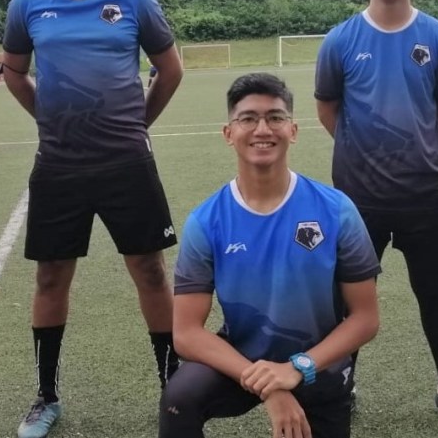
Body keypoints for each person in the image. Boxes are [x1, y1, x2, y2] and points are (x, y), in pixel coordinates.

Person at [0, 0, 184, 438]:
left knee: (150, 270)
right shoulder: (28, 1)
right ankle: (46, 396)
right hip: (59, 165)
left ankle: (174, 391)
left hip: (126, 162)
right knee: (50, 275)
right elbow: (13, 71)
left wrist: (138, 123)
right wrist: (49, 117)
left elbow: (170, 69)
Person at [315, 0, 438, 433]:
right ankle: (340, 388)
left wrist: (414, 146)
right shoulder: (340, 40)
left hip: (424, 194)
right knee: (347, 300)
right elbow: (329, 109)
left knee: (433, 292)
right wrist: (363, 154)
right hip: (357, 199)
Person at [160, 73, 381, 438]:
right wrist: (270, 386)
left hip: (319, 365)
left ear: (292, 130)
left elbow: (365, 318)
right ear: (229, 133)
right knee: (179, 399)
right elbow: (186, 333)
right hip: (243, 359)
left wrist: (297, 368)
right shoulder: (207, 221)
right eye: (248, 118)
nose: (262, 129)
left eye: (275, 117)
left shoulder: (336, 210)